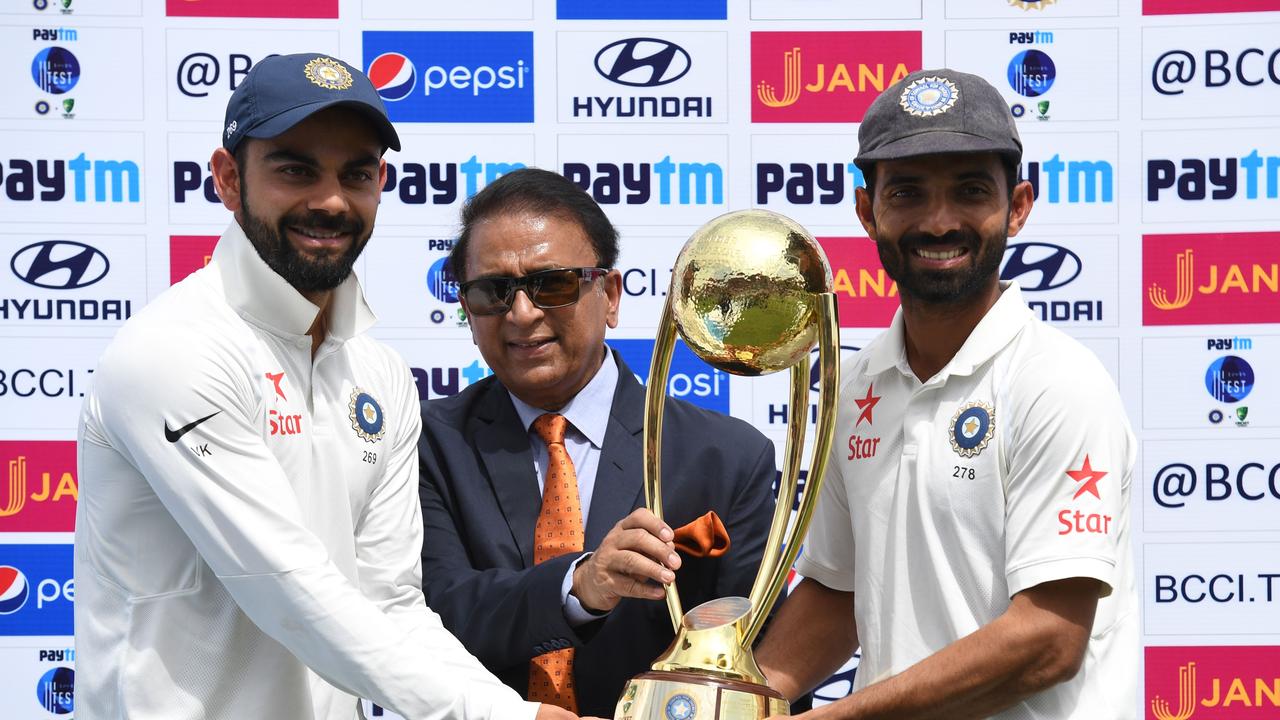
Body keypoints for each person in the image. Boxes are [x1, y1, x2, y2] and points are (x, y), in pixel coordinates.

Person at [74, 53, 569, 720]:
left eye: (356, 173)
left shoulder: (379, 372)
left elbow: (390, 605)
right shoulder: (176, 349)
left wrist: (517, 713)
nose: (331, 200)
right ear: (227, 177)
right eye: (295, 169)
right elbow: (288, 589)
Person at [755, 69, 1138, 719]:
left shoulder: (1058, 383)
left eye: (968, 191)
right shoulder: (855, 384)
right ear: (867, 212)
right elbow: (837, 593)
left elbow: (1049, 639)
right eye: (907, 193)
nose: (938, 222)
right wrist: (739, 704)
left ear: (1017, 206)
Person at [417, 168, 779, 717]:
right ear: (466, 309)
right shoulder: (426, 441)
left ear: (609, 295)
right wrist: (580, 585)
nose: (522, 313)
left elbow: (746, 654)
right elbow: (431, 620)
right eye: (494, 290)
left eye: (553, 283)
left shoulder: (727, 456)